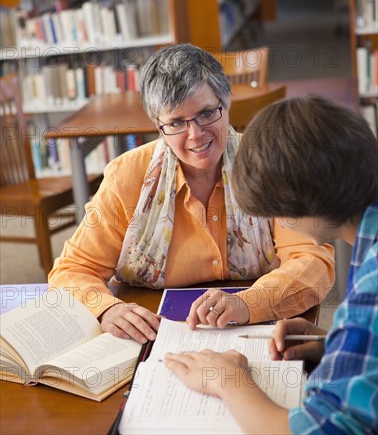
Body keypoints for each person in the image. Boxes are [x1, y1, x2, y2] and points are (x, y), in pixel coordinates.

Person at [49, 45, 334, 344]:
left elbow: (314, 261)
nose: (196, 135)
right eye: (175, 123)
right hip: (154, 334)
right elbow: (72, 271)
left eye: (206, 113)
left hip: (258, 327)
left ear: (227, 103)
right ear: (158, 126)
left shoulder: (273, 163)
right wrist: (106, 309)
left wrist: (249, 303)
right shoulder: (127, 177)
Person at [165, 95, 378, 434]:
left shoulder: (371, 292)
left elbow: (316, 430)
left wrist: (228, 379)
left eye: (277, 213)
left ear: (305, 204)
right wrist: (337, 342)